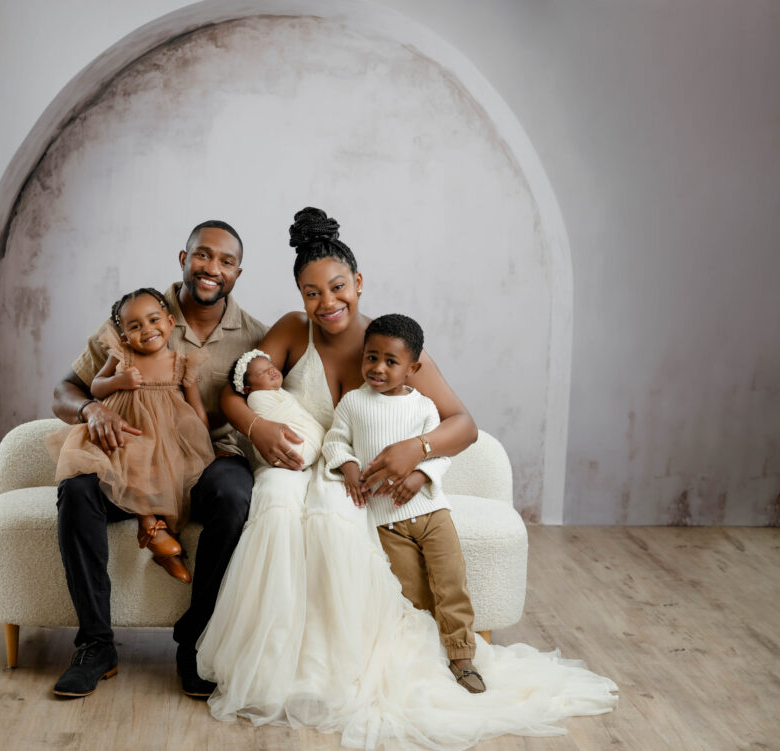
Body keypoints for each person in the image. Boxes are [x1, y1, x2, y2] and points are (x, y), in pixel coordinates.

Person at [197, 208, 617, 750]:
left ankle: (334, 665)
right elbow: (234, 388)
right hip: (287, 459)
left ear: (359, 282)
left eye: (338, 287)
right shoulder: (289, 331)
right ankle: (267, 663)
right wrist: (256, 427)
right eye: (311, 292)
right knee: (274, 503)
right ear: (299, 296)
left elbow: (462, 423)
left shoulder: (389, 343)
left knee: (335, 516)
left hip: (341, 473)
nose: (327, 304)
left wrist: (413, 451)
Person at [51, 221, 266, 698]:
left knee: (234, 494)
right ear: (183, 259)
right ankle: (95, 645)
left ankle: (195, 642)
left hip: (208, 458)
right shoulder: (134, 316)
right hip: (132, 456)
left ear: (238, 272)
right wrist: (92, 408)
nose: (212, 269)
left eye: (226, 261)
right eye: (203, 255)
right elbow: (64, 390)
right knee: (77, 489)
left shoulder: (253, 335)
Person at [323, 312, 484, 694]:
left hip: (431, 512)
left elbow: (442, 454)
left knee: (451, 581)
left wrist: (420, 476)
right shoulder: (352, 404)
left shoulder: (424, 407)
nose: (377, 368)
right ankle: (424, 658)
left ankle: (462, 657)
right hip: (386, 522)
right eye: (371, 357)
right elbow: (335, 441)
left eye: (390, 361)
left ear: (412, 368)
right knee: (409, 592)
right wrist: (346, 466)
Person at [46, 287, 215, 583]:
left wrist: (204, 445)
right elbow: (95, 386)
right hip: (122, 433)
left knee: (167, 470)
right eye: (135, 326)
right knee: (130, 458)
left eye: (153, 320)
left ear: (170, 321)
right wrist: (119, 380)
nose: (147, 330)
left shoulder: (182, 363)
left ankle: (166, 548)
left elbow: (197, 410)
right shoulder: (122, 356)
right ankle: (149, 526)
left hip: (163, 438)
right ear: (124, 335)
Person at [229, 348, 325, 469]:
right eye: (261, 372)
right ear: (248, 389)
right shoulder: (256, 397)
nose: (271, 371)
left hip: (310, 443)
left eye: (271, 366)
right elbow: (279, 418)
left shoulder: (279, 391)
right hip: (289, 451)